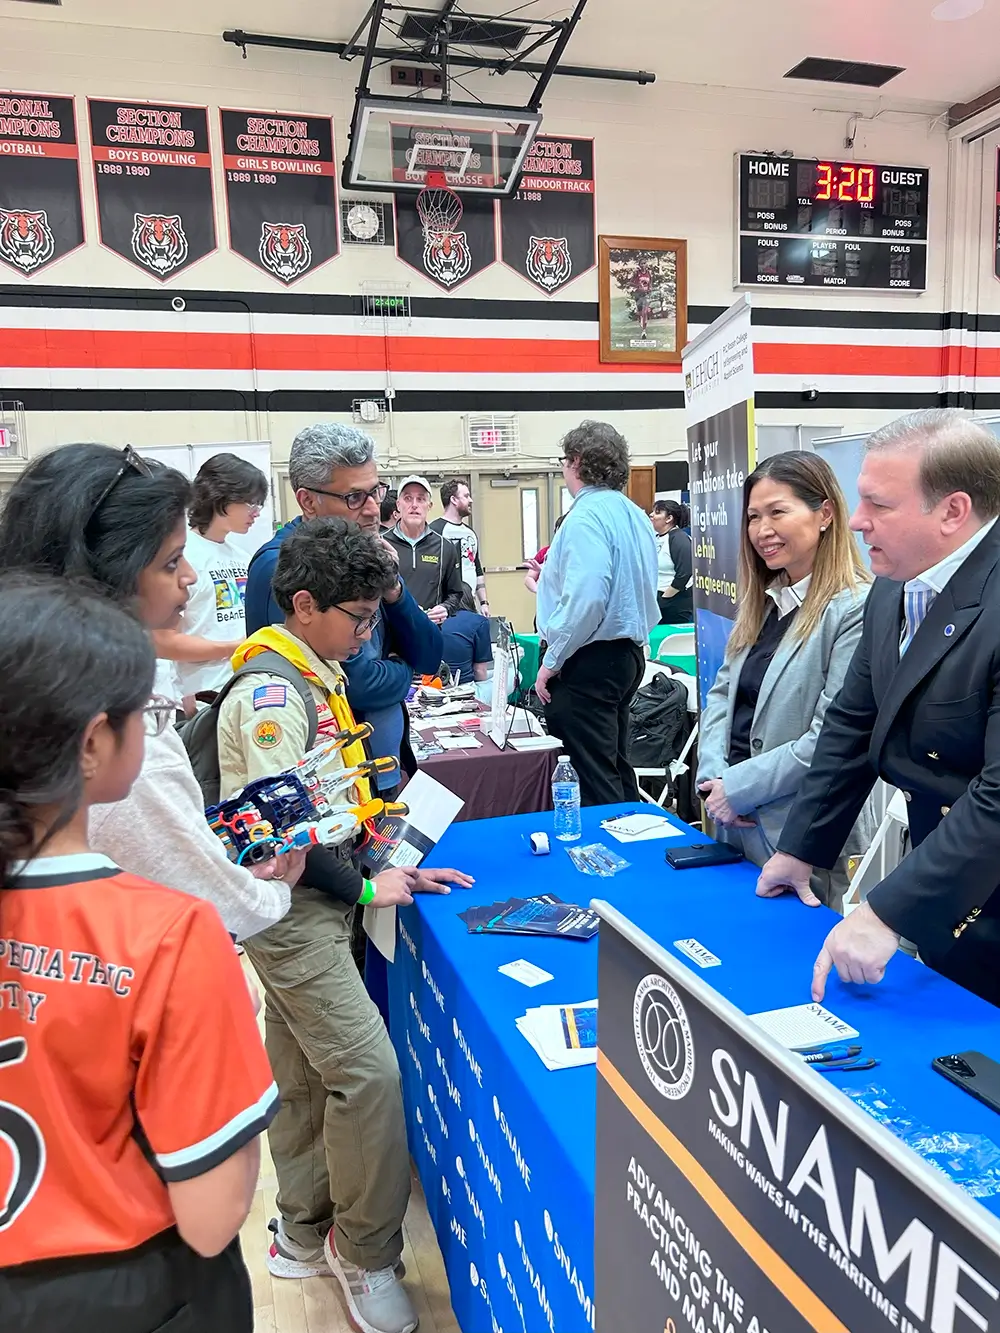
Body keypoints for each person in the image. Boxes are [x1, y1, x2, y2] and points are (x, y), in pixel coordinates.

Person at [0, 575, 278, 1333]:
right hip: (127, 1292)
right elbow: (213, 1216)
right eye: (147, 715)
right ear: (94, 741)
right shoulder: (171, 934)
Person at [219, 516, 473, 1333]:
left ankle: (300, 1231)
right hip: (293, 911)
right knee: (368, 1075)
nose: (369, 635)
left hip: (321, 896)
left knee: (302, 1070)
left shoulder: (315, 668)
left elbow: (329, 802)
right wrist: (366, 886)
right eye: (359, 618)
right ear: (303, 604)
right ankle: (363, 1253)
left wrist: (386, 860)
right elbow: (279, 837)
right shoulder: (271, 693)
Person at [0, 443, 298, 942]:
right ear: (106, 576)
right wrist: (274, 890)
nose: (189, 577)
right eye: (171, 562)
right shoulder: (123, 731)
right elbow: (213, 902)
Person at [756, 410, 1000, 1009]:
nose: (857, 520)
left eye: (879, 504)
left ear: (953, 511)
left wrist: (887, 911)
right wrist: (801, 847)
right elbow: (852, 722)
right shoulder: (893, 584)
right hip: (950, 883)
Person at [696, 453, 873, 907]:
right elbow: (722, 695)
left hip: (800, 836)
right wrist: (715, 777)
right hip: (734, 821)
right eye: (754, 517)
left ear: (825, 514)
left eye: (778, 512)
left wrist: (738, 787)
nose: (762, 530)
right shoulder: (765, 600)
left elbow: (831, 738)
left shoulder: (856, 609)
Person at [245, 425, 442, 796]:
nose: (373, 510)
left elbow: (430, 655)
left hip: (374, 769)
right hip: (329, 785)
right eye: (354, 497)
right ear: (308, 501)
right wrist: (405, 670)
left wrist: (395, 591)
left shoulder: (367, 549)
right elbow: (355, 685)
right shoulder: (283, 566)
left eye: (376, 491)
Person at [536, 421, 659, 806]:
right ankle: (632, 837)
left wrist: (552, 660)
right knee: (615, 766)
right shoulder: (634, 514)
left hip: (587, 660)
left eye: (563, 461)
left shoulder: (584, 517)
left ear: (575, 461)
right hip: (625, 655)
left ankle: (606, 844)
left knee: (591, 778)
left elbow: (588, 598)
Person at [154, 452, 269, 701]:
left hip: (246, 686)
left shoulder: (242, 557)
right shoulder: (182, 555)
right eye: (251, 504)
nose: (256, 513)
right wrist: (235, 647)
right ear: (222, 498)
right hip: (204, 696)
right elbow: (162, 640)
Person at [384, 475, 465, 625]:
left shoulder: (445, 547)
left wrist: (445, 608)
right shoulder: (381, 544)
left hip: (429, 629)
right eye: (408, 498)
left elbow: (455, 593)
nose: (414, 505)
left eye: (421, 499)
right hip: (388, 631)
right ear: (398, 505)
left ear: (429, 505)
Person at [430, 478, 489, 614]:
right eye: (466, 496)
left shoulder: (470, 533)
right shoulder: (435, 531)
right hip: (444, 605)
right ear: (454, 500)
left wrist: (484, 603)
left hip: (469, 604)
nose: (471, 500)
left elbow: (476, 568)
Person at [650, 500, 693, 624]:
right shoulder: (656, 537)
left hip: (674, 603)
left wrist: (665, 598)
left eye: (657, 512)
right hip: (656, 599)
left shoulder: (679, 539)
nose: (651, 515)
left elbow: (685, 572)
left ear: (669, 518)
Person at [441, 590, 493, 686]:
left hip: (431, 683)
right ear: (471, 598)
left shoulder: (432, 618)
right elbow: (479, 671)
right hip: (463, 686)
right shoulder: (479, 621)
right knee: (513, 674)